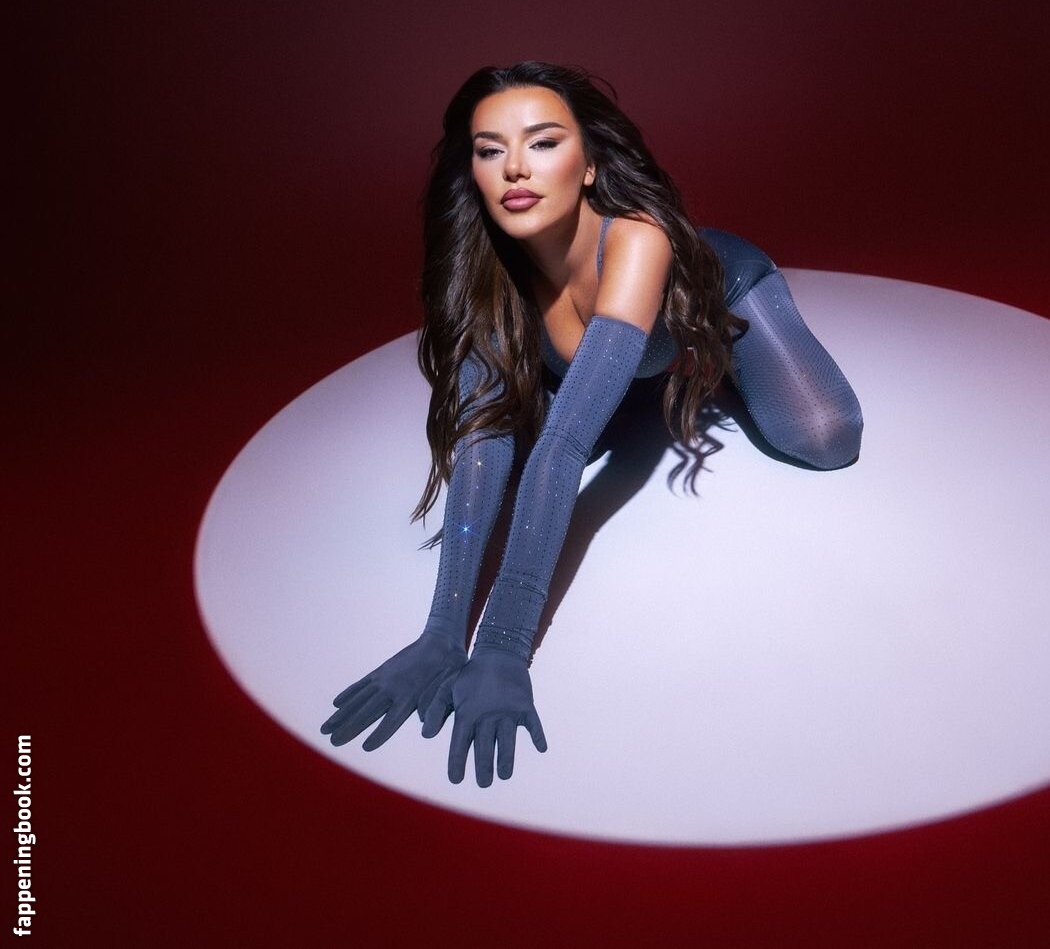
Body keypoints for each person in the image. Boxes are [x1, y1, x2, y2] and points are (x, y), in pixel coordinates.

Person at [321, 61, 863, 787]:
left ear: (588, 165)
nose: (515, 168)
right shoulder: (489, 269)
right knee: (520, 435)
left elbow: (563, 449)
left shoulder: (638, 240)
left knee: (826, 439)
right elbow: (483, 438)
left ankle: (714, 353)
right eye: (489, 150)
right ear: (472, 171)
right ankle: (638, 373)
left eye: (543, 143)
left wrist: (503, 647)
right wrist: (442, 634)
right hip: (617, 348)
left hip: (720, 291)